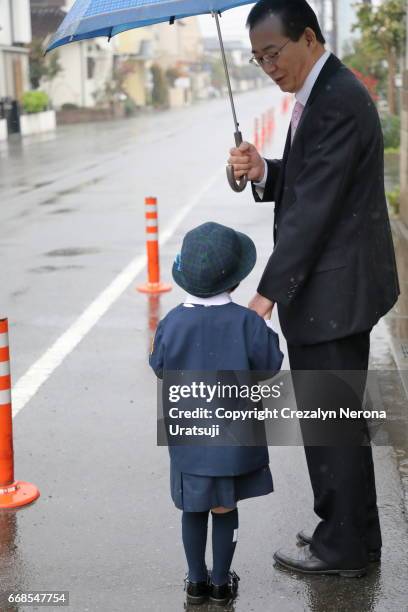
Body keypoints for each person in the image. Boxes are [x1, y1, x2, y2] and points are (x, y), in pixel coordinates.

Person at [228, 0, 399, 577]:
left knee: (330, 425)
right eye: (258, 59)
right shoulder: (320, 93)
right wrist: (266, 172)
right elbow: (309, 183)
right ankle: (352, 537)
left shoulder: (336, 100)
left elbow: (314, 213)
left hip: (333, 293)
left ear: (308, 36)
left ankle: (341, 549)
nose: (268, 67)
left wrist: (265, 294)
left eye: (273, 53)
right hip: (337, 287)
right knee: (337, 422)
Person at [149, 221, 283, 604]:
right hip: (233, 441)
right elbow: (270, 364)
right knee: (225, 508)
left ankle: (195, 580)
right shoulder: (245, 322)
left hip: (190, 440)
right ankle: (222, 582)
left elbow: (159, 365)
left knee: (193, 508)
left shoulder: (172, 322)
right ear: (236, 281)